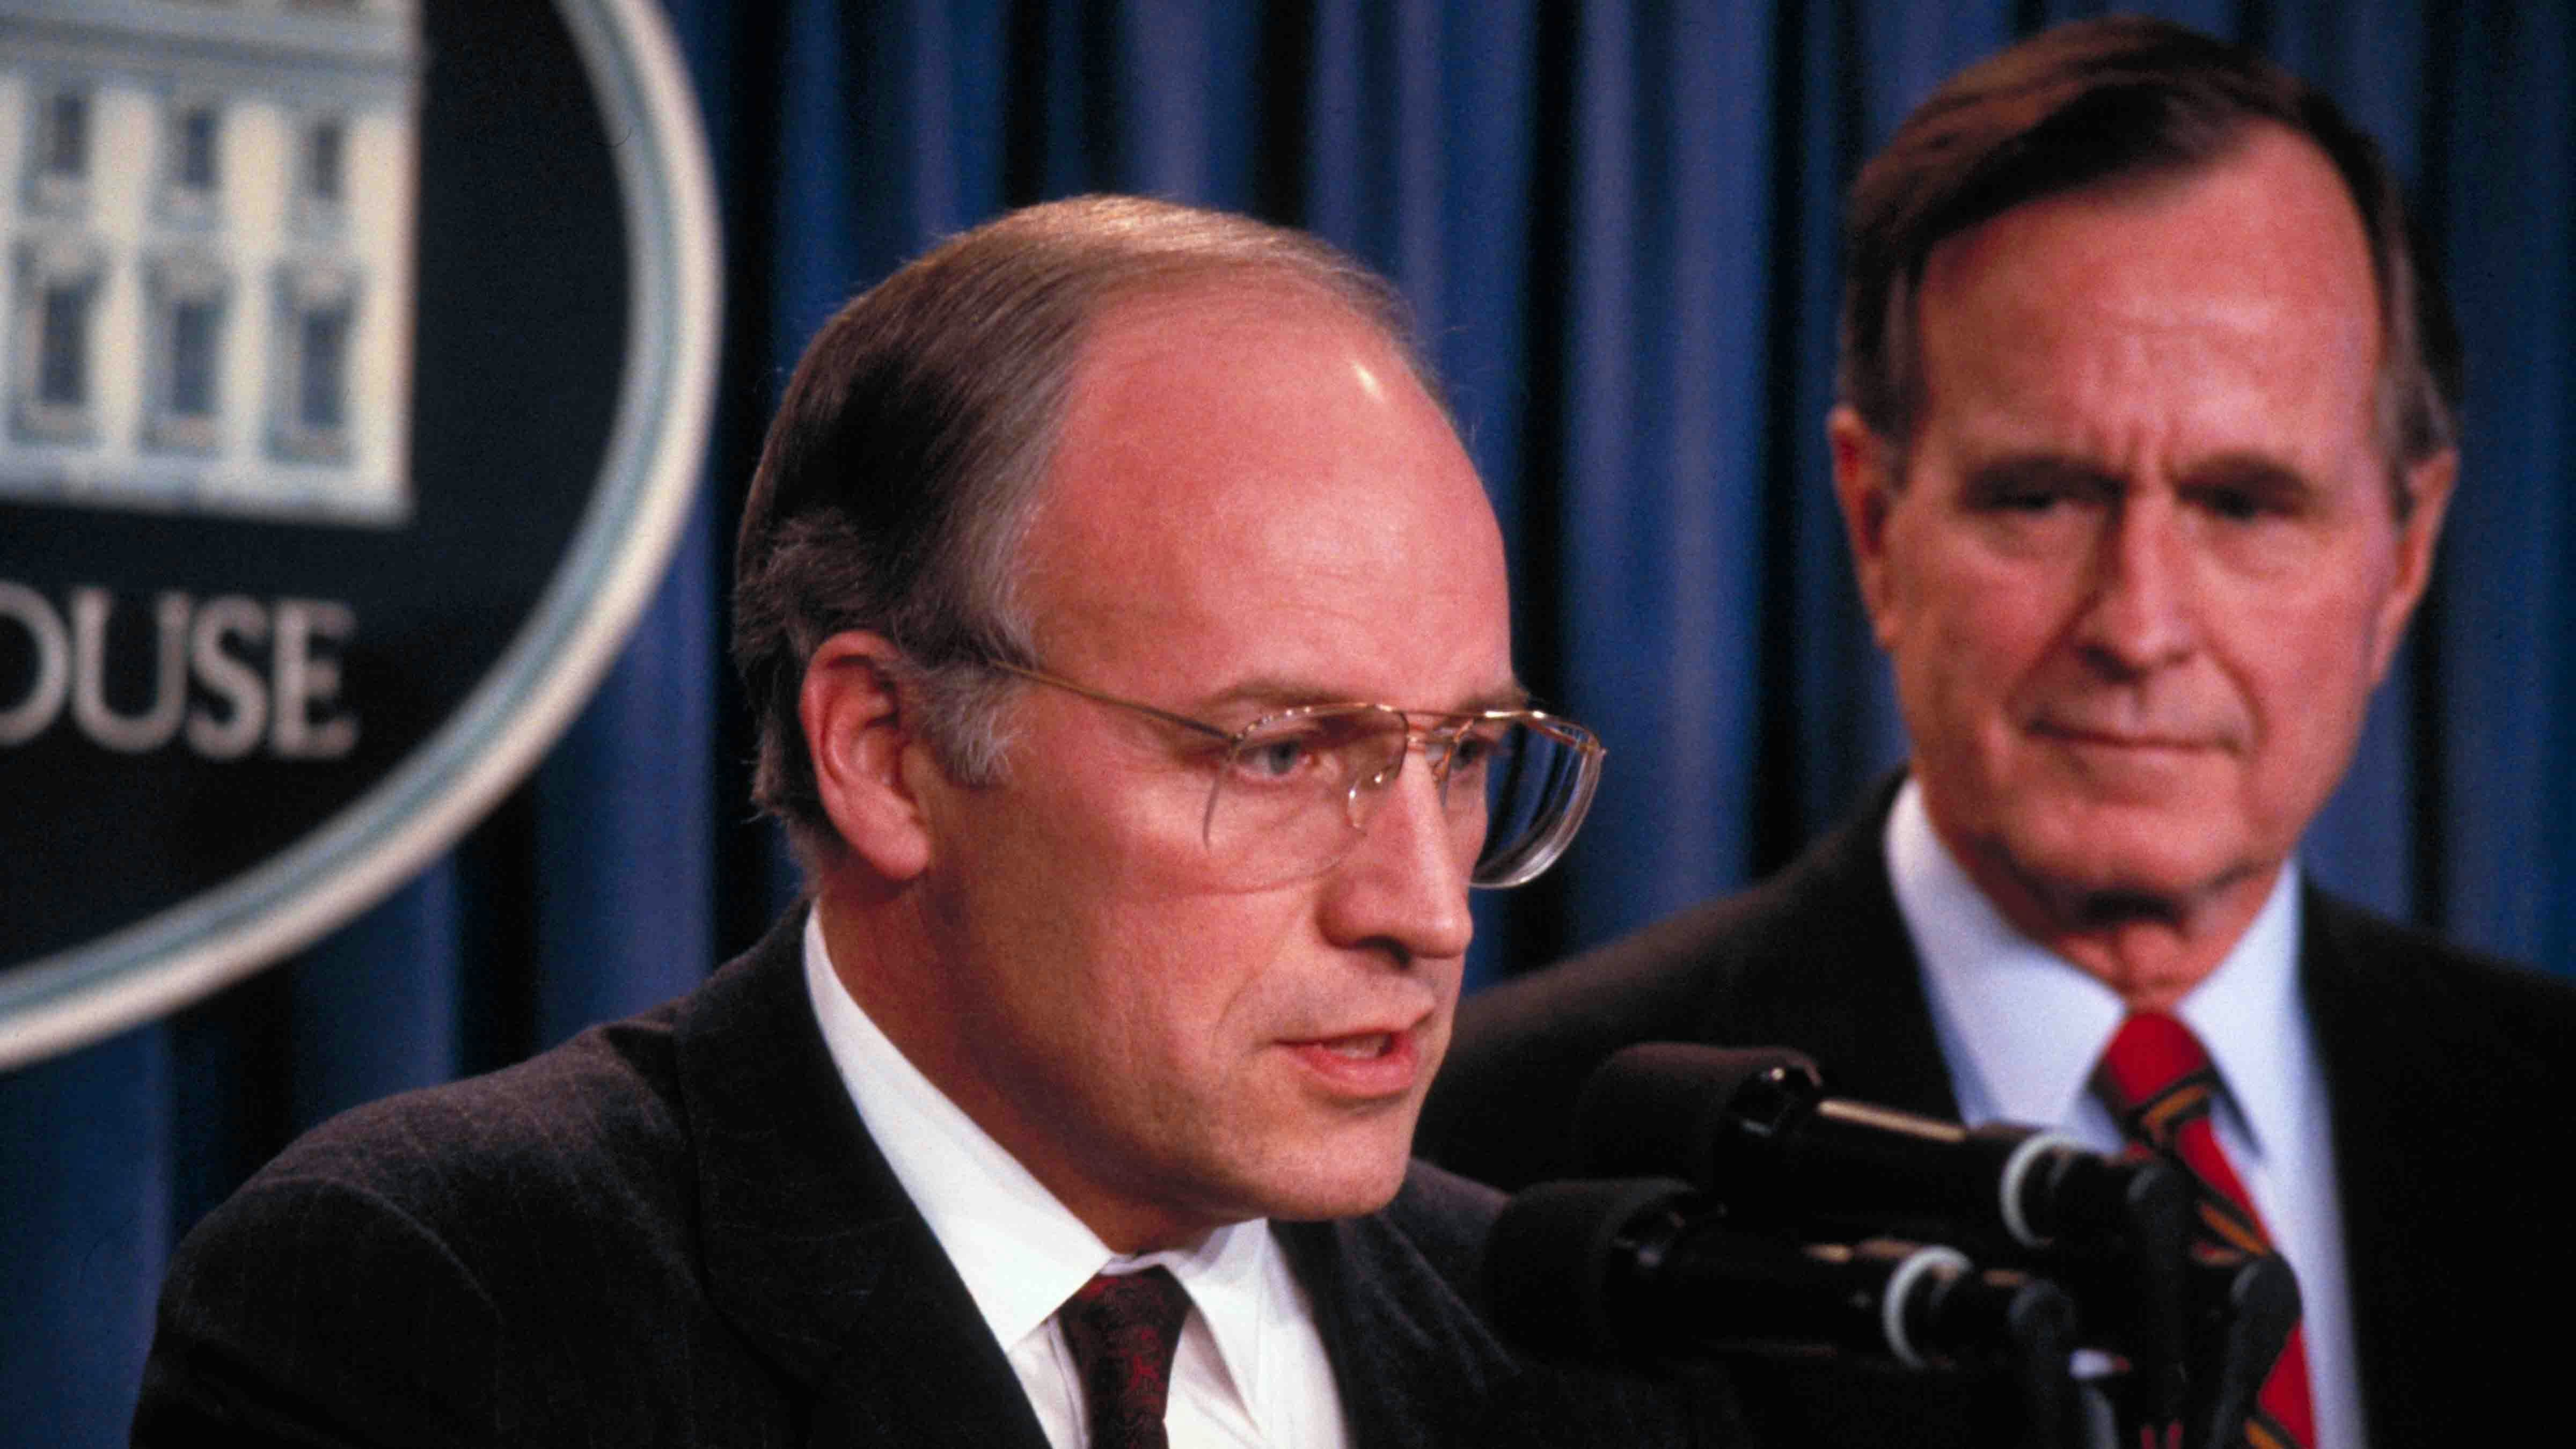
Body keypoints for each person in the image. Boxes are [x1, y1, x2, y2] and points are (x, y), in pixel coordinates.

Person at [135, 196, 1723, 1447]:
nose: (1428, 907)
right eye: (1284, 751)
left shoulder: (1576, 1352)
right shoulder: (442, 1308)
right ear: (885, 754)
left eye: (1461, 752)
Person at [1419, 17, 2576, 1449]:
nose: (2139, 624)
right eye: (2042, 497)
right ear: (1876, 523)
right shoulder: (1500, 1155)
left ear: (2403, 558)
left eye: (2245, 505)